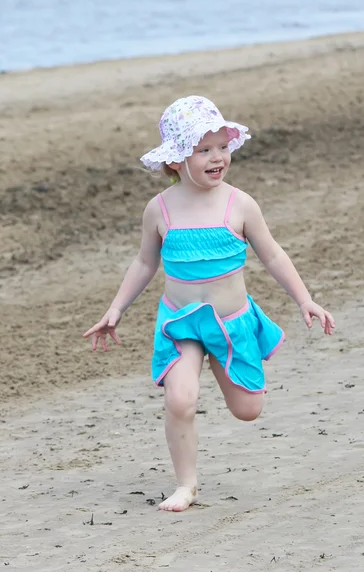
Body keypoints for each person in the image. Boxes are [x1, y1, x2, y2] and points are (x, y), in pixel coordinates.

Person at [83, 95, 335, 512]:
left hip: (231, 322)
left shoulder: (240, 204)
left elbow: (272, 254)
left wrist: (304, 299)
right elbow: (145, 261)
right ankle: (186, 485)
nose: (218, 157)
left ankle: (223, 364)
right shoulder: (159, 209)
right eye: (204, 150)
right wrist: (116, 308)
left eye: (223, 147)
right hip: (180, 324)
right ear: (177, 159)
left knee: (248, 410)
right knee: (180, 400)